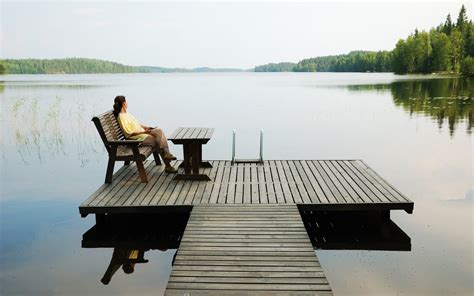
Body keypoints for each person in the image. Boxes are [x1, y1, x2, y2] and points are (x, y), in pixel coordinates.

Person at [113, 95, 177, 173]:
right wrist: (144, 132)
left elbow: (138, 124)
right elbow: (129, 133)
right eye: (126, 101)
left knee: (159, 132)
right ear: (123, 103)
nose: (127, 103)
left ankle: (167, 157)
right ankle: (168, 164)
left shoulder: (127, 114)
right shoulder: (121, 117)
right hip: (136, 139)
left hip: (143, 134)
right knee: (157, 139)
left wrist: (148, 127)